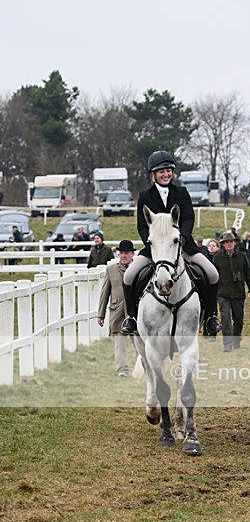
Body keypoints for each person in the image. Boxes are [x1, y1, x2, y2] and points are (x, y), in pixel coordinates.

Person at [121, 150, 221, 336]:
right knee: (129, 276)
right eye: (161, 171)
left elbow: (188, 218)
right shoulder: (145, 196)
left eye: (168, 170)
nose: (166, 174)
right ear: (153, 174)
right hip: (156, 250)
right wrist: (152, 245)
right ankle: (132, 318)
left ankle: (210, 317)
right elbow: (142, 226)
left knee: (212, 273)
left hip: (183, 246)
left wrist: (182, 239)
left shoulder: (181, 193)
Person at [97, 240, 137, 378]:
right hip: (118, 310)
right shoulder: (111, 269)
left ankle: (142, 368)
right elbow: (105, 292)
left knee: (138, 341)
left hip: (134, 311)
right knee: (120, 343)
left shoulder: (138, 268)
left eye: (127, 253)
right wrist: (101, 314)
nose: (124, 256)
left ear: (132, 254)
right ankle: (122, 371)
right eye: (121, 253)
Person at [212, 231, 250, 352]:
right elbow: (213, 277)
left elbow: (249, 275)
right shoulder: (217, 258)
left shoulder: (242, 256)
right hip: (223, 294)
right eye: (227, 242)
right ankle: (227, 343)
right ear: (223, 244)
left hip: (238, 293)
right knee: (225, 319)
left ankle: (236, 340)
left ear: (235, 243)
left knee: (238, 320)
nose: (230, 244)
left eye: (231, 241)